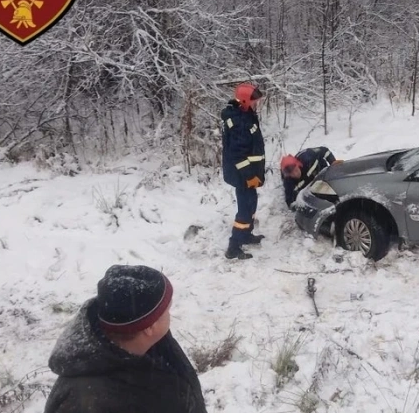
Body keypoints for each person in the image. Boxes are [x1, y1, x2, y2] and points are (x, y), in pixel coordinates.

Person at [43, 265, 206, 413]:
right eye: (167, 311)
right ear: (150, 327)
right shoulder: (87, 402)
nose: (170, 316)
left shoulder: (155, 343)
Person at [221, 82, 266, 260]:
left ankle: (247, 234)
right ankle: (234, 246)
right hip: (243, 175)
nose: (257, 104)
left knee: (251, 204)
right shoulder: (239, 121)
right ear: (246, 101)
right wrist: (250, 175)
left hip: (250, 174)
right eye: (255, 102)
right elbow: (238, 155)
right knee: (245, 209)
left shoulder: (245, 115)